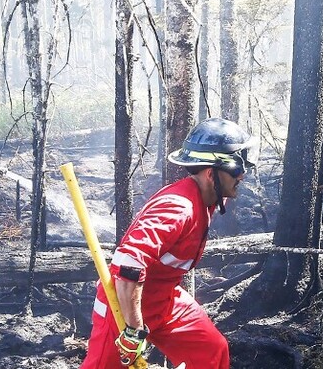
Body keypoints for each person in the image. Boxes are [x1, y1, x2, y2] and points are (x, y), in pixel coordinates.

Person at [80, 118, 258, 369]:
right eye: (236, 169)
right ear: (211, 174)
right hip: (122, 303)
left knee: (211, 351)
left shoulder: (208, 197)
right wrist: (133, 330)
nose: (242, 175)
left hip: (164, 299)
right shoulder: (177, 208)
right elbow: (129, 263)